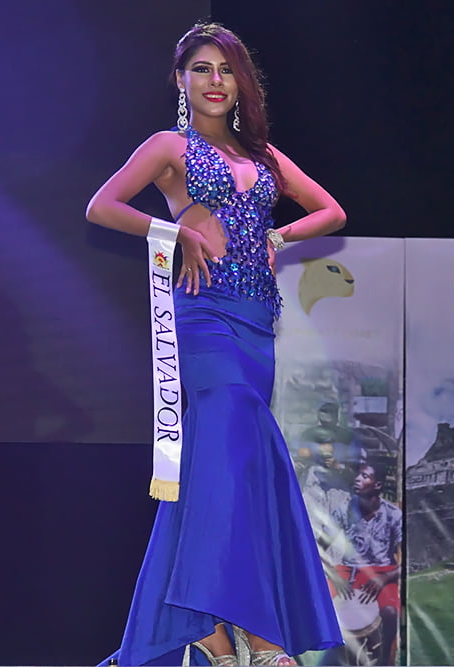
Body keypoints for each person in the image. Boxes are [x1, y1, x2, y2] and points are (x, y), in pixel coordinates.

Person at [85, 22, 346, 667]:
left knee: (227, 470)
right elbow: (102, 205)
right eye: (201, 69)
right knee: (236, 439)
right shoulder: (169, 146)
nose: (214, 81)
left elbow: (331, 211)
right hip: (201, 316)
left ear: (240, 84)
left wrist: (278, 239)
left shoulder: (262, 157)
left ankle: (210, 627)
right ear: (181, 80)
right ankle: (253, 634)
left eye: (225, 70)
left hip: (258, 321)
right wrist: (170, 232)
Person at [326, 460, 402, 665]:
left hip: (382, 571)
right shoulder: (343, 511)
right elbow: (317, 548)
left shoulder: (394, 515)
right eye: (357, 475)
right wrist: (333, 575)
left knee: (389, 612)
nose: (358, 479)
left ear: (377, 485)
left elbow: (409, 561)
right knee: (323, 605)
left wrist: (384, 578)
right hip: (347, 569)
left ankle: (385, 660)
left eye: (365, 476)